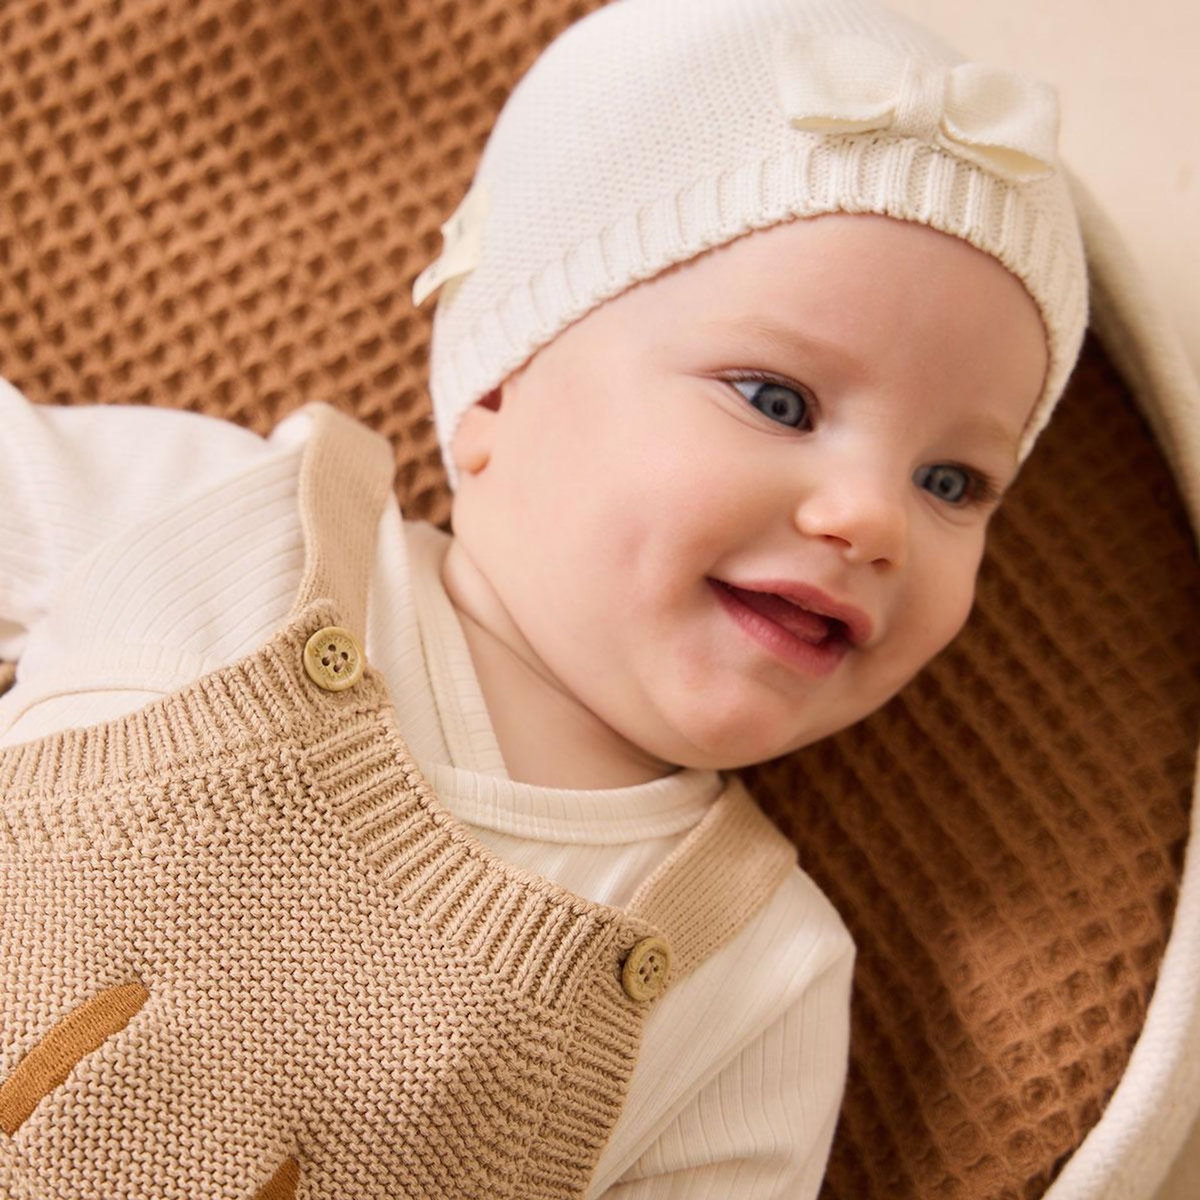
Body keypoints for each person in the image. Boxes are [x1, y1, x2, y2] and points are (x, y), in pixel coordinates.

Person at [0, 0, 1086, 1197]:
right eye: (778, 402)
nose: (872, 519)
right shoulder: (232, 523)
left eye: (953, 481)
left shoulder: (752, 975)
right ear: (501, 387)